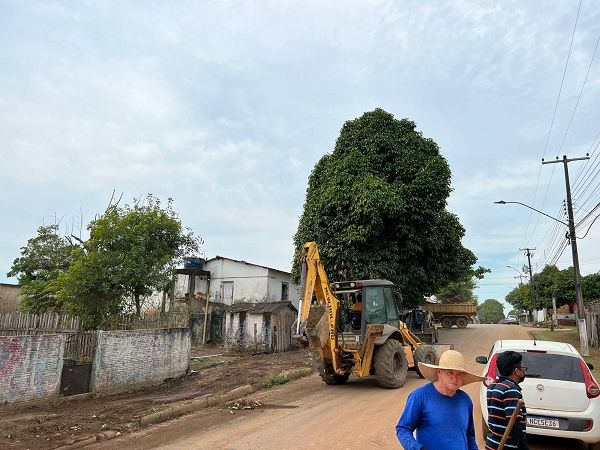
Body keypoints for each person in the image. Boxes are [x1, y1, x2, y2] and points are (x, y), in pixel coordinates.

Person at [396, 349, 483, 450]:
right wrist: (415, 448)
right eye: (450, 372)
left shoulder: (465, 400)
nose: (455, 378)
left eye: (459, 374)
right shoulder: (420, 396)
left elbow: (470, 435)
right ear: (439, 372)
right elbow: (403, 428)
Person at [485, 351, 528, 449]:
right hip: (506, 446)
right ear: (516, 371)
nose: (524, 371)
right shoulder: (511, 390)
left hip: (492, 444)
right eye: (523, 368)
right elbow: (514, 424)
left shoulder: (493, 386)